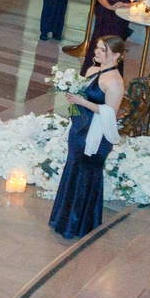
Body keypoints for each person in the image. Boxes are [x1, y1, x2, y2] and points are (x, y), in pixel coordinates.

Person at [52, 36, 126, 241]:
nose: (97, 52)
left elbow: (110, 112)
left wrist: (81, 101)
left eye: (103, 50)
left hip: (97, 135)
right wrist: (73, 97)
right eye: (98, 48)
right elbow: (82, 95)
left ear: (116, 55)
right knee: (73, 168)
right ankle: (63, 219)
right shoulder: (93, 70)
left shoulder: (115, 82)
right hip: (80, 128)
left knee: (86, 174)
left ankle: (79, 223)